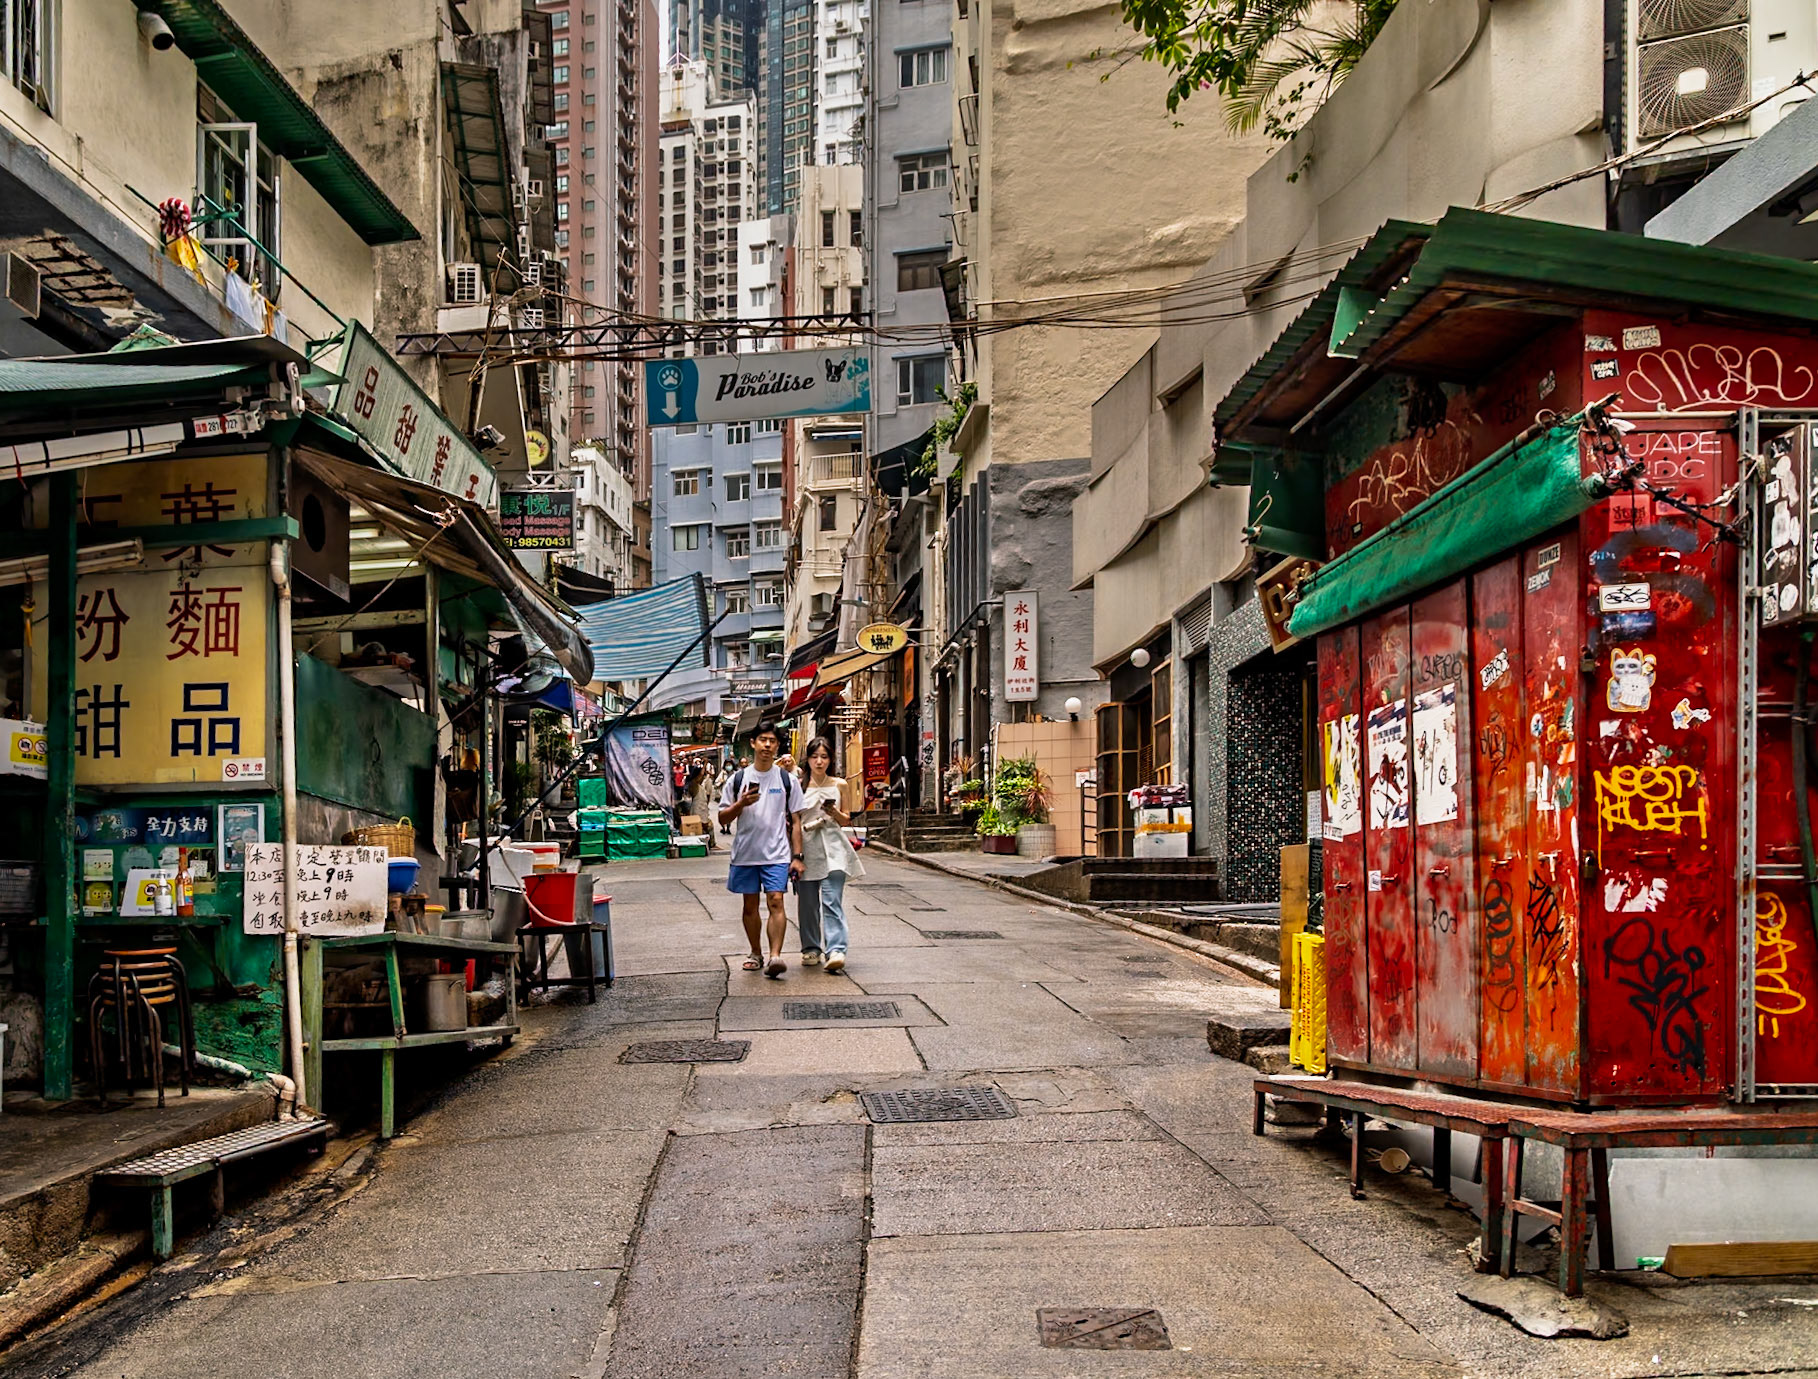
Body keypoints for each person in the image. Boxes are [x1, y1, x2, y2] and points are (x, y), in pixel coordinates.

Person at [717, 727, 805, 976]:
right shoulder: (737, 779)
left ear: (777, 746)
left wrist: (797, 857)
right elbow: (723, 818)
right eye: (763, 740)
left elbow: (796, 820)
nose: (767, 745)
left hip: (777, 853)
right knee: (749, 906)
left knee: (776, 900)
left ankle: (775, 956)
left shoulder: (787, 780)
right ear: (753, 743)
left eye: (772, 741)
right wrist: (741, 803)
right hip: (746, 853)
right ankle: (755, 952)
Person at [794, 736, 863, 973]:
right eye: (815, 757)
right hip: (807, 848)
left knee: (832, 900)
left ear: (830, 759)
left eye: (824, 757)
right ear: (808, 759)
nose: (819, 762)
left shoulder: (840, 784)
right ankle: (811, 948)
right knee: (807, 903)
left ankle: (836, 949)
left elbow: (847, 819)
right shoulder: (798, 785)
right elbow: (792, 819)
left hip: (834, 847)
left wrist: (833, 811)